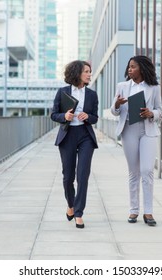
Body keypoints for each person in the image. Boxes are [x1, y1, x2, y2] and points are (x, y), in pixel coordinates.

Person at [110, 55, 162, 226]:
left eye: (133, 67)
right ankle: (133, 211)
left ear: (142, 69)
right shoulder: (122, 86)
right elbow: (114, 112)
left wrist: (151, 113)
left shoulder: (154, 87)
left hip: (147, 130)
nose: (129, 70)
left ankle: (148, 212)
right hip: (129, 130)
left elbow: (160, 110)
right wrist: (117, 105)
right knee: (134, 172)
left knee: (147, 170)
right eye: (129, 67)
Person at [51, 60, 99, 229]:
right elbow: (53, 114)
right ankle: (70, 205)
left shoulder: (92, 95)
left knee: (83, 175)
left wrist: (88, 116)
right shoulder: (63, 92)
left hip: (85, 136)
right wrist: (65, 116)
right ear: (77, 73)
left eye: (90, 71)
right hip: (68, 135)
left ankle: (79, 212)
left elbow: (95, 117)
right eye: (86, 71)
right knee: (68, 177)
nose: (89, 74)